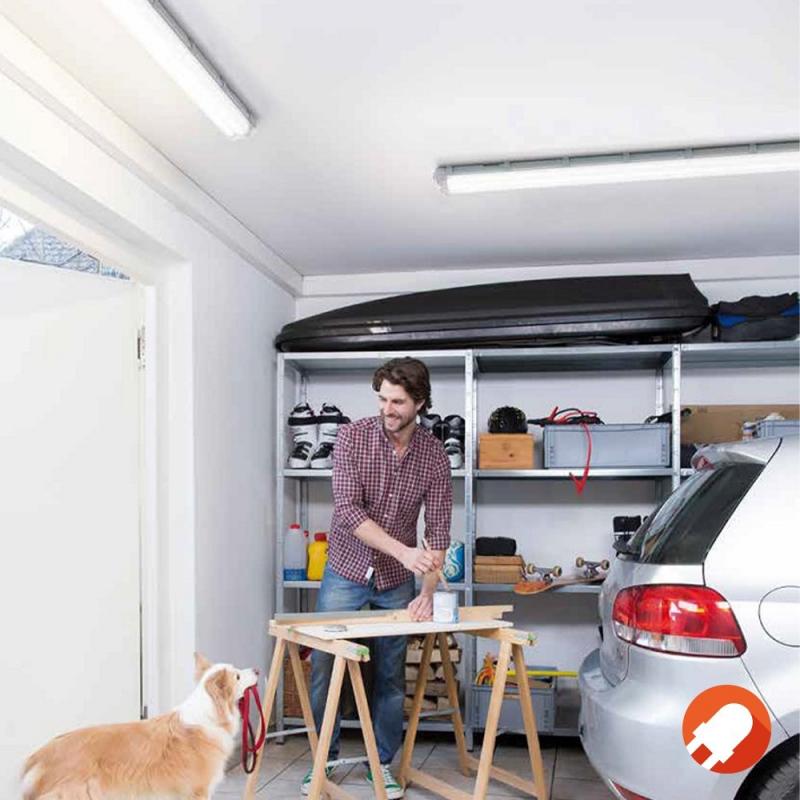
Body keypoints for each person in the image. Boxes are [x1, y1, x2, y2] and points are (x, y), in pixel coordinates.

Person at [302, 357, 452, 799]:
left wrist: (427, 593)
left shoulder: (434, 455)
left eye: (398, 401)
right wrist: (404, 552)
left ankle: (381, 762)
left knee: (389, 674)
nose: (387, 409)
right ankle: (322, 761)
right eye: (383, 399)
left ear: (419, 402)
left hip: (395, 582)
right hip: (346, 569)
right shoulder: (352, 437)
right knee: (325, 667)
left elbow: (438, 531)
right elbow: (348, 511)